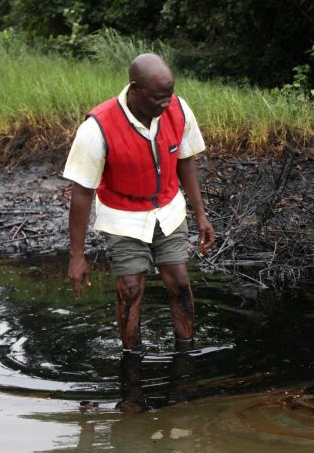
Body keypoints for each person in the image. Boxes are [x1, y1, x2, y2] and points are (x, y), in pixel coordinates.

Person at [64, 53, 215, 351]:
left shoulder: (178, 109)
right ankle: (131, 360)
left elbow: (186, 161)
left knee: (181, 281)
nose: (166, 104)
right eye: (159, 98)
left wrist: (200, 214)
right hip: (123, 215)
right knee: (130, 288)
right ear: (135, 89)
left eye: (169, 95)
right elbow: (82, 193)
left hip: (168, 209)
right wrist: (76, 256)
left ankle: (186, 353)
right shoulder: (98, 127)